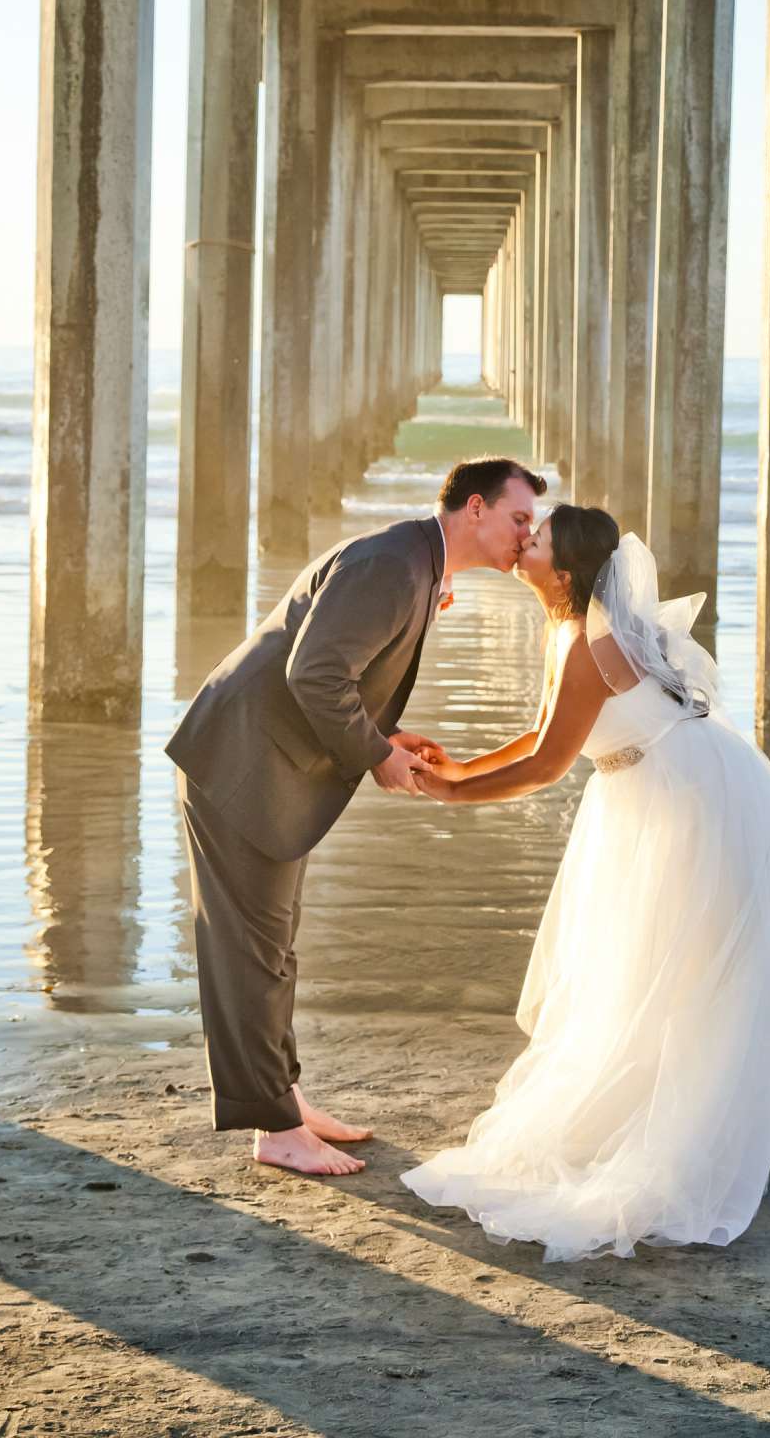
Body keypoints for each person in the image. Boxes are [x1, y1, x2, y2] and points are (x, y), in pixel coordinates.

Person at [402, 504, 770, 1259]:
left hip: (693, 794)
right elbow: (545, 734)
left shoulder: (588, 639)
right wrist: (460, 768)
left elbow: (550, 765)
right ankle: (656, 1115)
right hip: (644, 789)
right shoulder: (564, 630)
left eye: (538, 537)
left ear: (569, 567)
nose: (525, 542)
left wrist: (453, 794)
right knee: (638, 964)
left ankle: (685, 1133)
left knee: (681, 967)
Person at [165, 456, 545, 1177]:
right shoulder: (395, 566)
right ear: (474, 509)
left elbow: (331, 666)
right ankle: (273, 1132)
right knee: (248, 951)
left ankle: (284, 1101)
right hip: (240, 765)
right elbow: (312, 672)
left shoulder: (417, 565)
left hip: (266, 768)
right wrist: (374, 753)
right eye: (519, 518)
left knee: (270, 947)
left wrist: (384, 734)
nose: (526, 537)